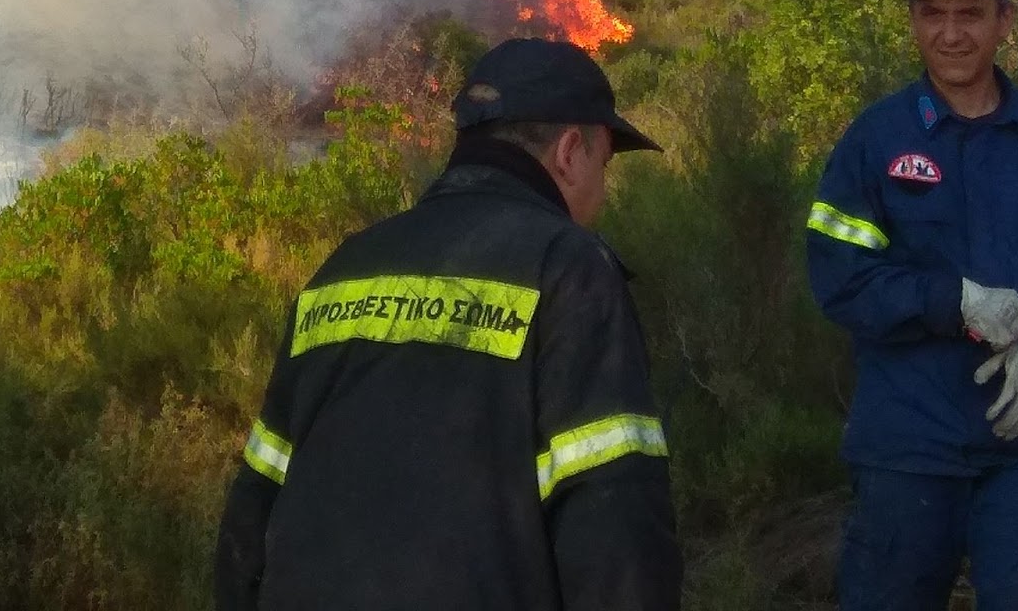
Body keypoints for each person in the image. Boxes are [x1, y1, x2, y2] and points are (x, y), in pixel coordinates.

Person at [214, 37, 681, 610]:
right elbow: (614, 521)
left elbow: (255, 504)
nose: (603, 191)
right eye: (604, 164)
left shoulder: (347, 265)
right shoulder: (568, 270)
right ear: (568, 152)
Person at [807, 0, 1018, 610]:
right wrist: (957, 300)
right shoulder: (876, 139)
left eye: (969, 15)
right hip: (909, 442)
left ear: (1005, 19)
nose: (949, 35)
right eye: (932, 14)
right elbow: (840, 277)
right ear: (914, 22)